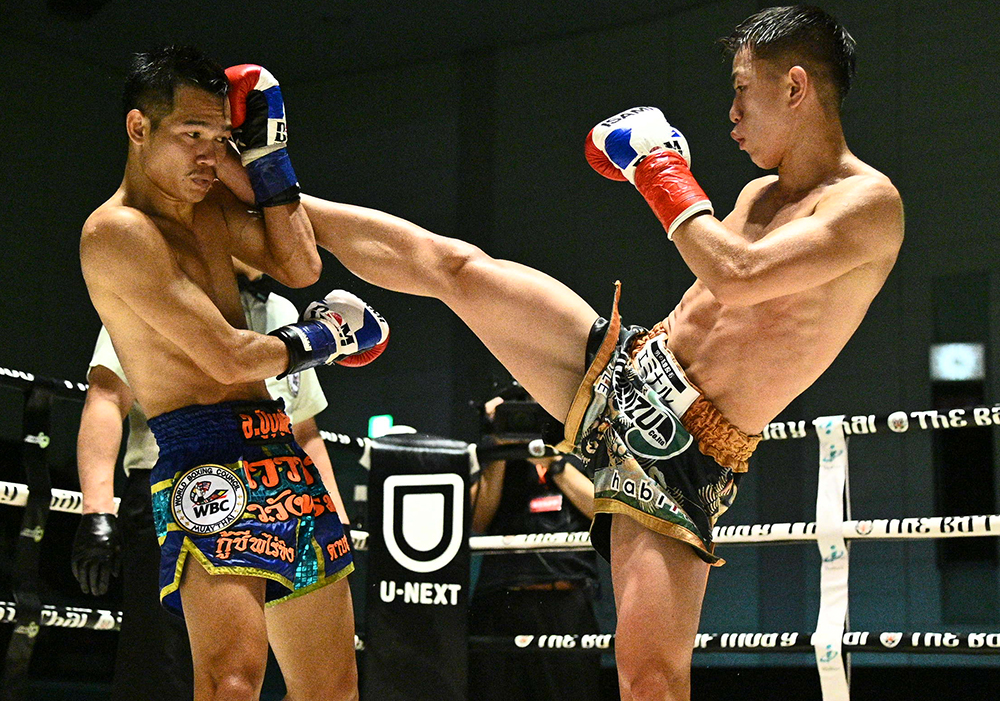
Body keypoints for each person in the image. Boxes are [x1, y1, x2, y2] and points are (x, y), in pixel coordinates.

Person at [227, 6, 902, 699]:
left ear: (795, 87)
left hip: (680, 449)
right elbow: (717, 290)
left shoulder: (869, 205)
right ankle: (264, 189)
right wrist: (666, 174)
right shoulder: (760, 194)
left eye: (741, 89)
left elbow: (738, 274)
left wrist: (660, 171)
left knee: (650, 681)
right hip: (626, 366)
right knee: (457, 268)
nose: (731, 112)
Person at [80, 46, 389, 701]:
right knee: (231, 684)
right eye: (192, 134)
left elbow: (301, 266)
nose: (208, 155)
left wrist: (269, 162)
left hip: (280, 449)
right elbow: (225, 356)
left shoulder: (211, 210)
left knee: (334, 691)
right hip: (206, 459)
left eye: (220, 138)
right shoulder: (117, 232)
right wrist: (328, 336)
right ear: (139, 128)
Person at [71, 262, 352, 701]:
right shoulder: (159, 285)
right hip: (193, 487)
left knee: (330, 690)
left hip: (288, 485)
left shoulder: (281, 309)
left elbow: (305, 429)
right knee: (190, 678)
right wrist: (97, 509)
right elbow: (107, 396)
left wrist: (339, 515)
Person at [469, 386, 601, 701]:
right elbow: (477, 521)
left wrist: (553, 462)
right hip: (502, 597)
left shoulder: (584, 439)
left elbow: (603, 510)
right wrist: (500, 447)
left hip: (566, 598)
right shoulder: (493, 452)